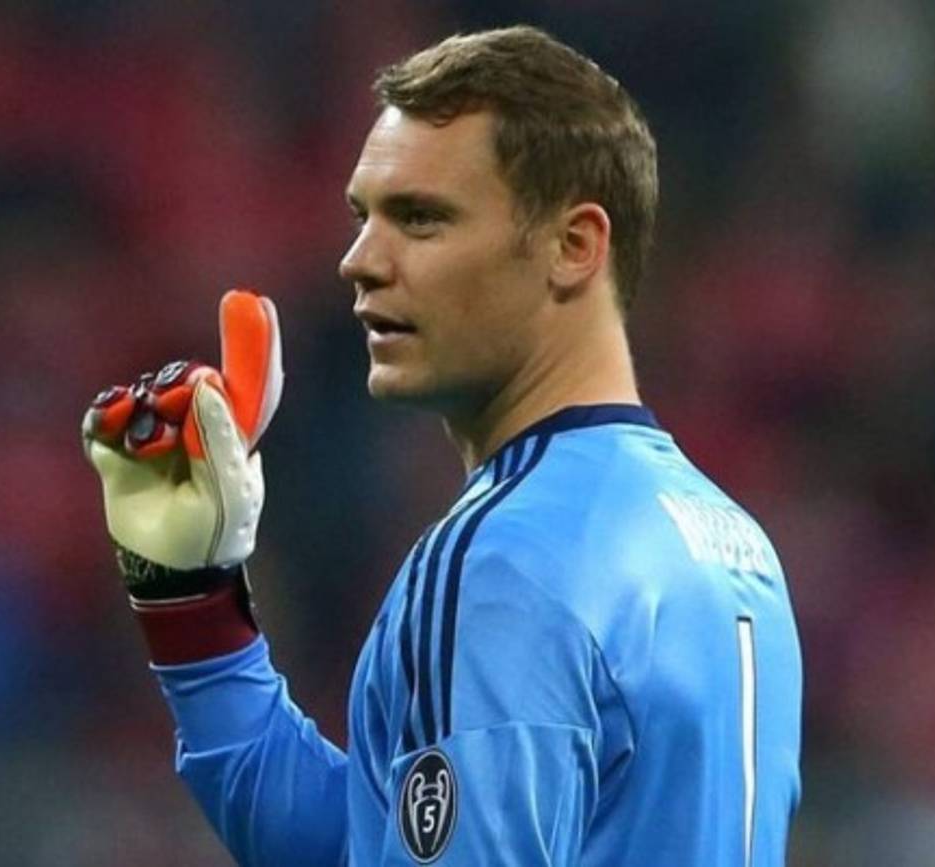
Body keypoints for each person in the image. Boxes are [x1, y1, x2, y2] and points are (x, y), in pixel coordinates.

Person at [83, 24, 802, 867]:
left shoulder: (505, 555)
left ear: (574, 246)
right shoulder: (731, 542)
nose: (358, 260)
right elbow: (365, 846)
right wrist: (192, 607)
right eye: (363, 217)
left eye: (420, 219)